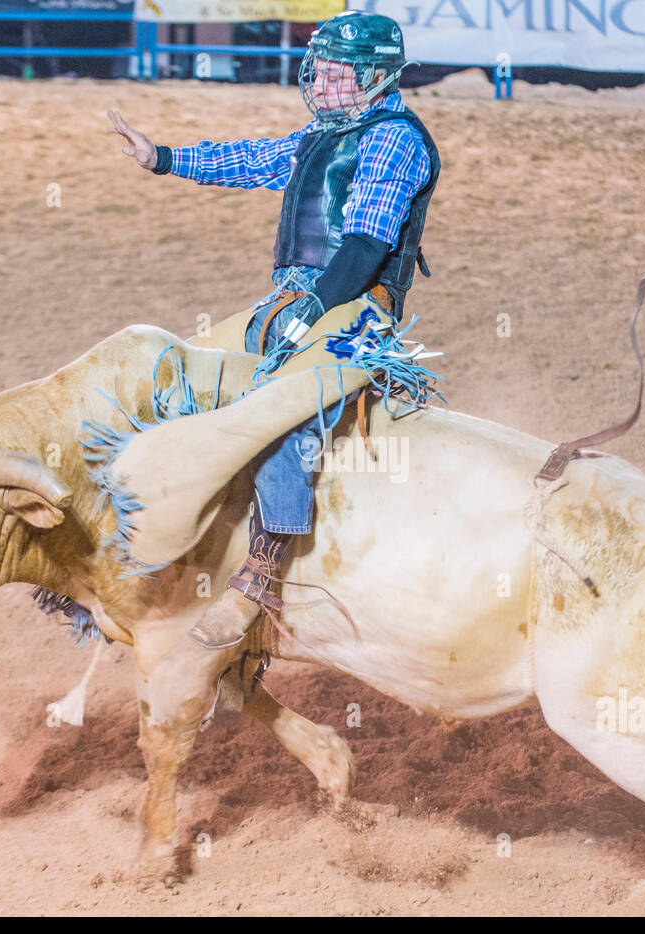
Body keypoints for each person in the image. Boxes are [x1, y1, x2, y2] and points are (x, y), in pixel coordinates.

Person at [108, 11, 441, 649]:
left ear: (375, 77)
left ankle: (262, 573)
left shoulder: (395, 138)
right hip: (292, 302)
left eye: (337, 72)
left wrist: (312, 311)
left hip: (355, 309)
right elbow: (250, 159)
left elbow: (366, 246)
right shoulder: (324, 133)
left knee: (280, 409)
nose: (319, 81)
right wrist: (163, 158)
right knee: (182, 371)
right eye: (320, 68)